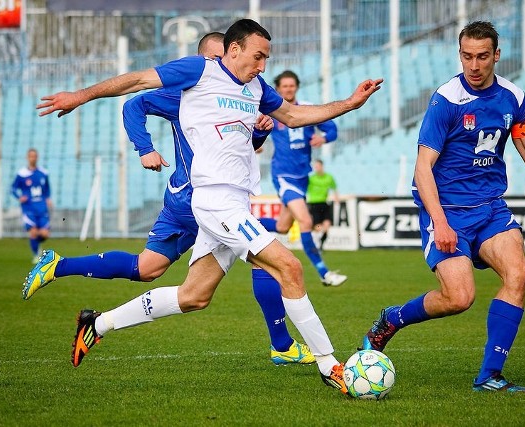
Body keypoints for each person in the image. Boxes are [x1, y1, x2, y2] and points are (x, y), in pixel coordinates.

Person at [37, 19, 382, 393]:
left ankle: (96, 324)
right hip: (216, 202)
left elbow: (295, 116)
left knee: (193, 296)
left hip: (236, 202)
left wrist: (350, 103)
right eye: (258, 56)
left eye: (266, 58)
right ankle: (329, 365)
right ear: (234, 49)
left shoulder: (255, 87)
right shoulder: (198, 70)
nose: (262, 65)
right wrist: (80, 96)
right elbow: (137, 82)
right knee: (290, 267)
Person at [22, 32, 314, 366]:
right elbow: (134, 102)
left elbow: (246, 147)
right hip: (197, 198)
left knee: (147, 269)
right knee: (266, 251)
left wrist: (260, 129)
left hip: (189, 195)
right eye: (217, 59)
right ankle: (283, 344)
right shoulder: (188, 91)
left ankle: (59, 267)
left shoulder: (242, 92)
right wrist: (144, 148)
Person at [360, 21, 525, 393]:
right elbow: (423, 167)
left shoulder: (512, 98)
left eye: (482, 57)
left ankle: (490, 375)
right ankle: (392, 319)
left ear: (497, 55)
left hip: (491, 208)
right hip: (447, 211)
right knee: (459, 298)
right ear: (459, 54)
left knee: (519, 273)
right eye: (467, 56)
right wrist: (440, 222)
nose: (474, 65)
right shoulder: (445, 100)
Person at [258, 70, 346, 286]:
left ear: (296, 87)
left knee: (282, 227)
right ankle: (324, 273)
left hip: (302, 176)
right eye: (284, 86)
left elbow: (332, 129)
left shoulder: (306, 108)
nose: (288, 89)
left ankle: (238, 224)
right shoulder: (270, 109)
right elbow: (253, 129)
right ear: (278, 88)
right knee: (306, 221)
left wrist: (323, 137)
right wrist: (255, 143)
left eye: (291, 85)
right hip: (283, 175)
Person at [11, 148, 53, 263]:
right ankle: (36, 255)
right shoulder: (22, 174)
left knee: (45, 234)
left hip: (42, 207)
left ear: (37, 157)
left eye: (34, 156)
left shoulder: (43, 173)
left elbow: (47, 189)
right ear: (27, 157)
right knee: (33, 232)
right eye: (31, 156)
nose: (33, 158)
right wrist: (19, 197)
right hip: (28, 207)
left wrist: (48, 198)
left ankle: (36, 244)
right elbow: (13, 188)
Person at [307, 159, 339, 251]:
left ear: (322, 166)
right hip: (314, 204)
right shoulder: (311, 178)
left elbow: (334, 187)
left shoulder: (329, 177)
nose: (316, 168)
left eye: (318, 166)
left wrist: (336, 198)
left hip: (324, 203)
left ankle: (320, 243)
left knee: (327, 224)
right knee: (317, 226)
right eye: (315, 167)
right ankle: (317, 242)